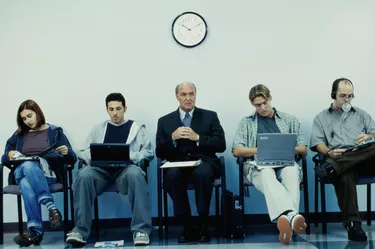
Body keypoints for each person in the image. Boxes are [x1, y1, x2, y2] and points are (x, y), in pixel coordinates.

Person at [66, 93, 154, 246]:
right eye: (111, 109)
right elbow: (84, 151)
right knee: (84, 175)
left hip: (125, 170)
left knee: (136, 174)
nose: (115, 113)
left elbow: (148, 153)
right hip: (101, 171)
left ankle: (141, 230)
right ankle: (80, 230)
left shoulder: (136, 129)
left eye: (118, 108)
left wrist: (130, 155)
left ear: (125, 108)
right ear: (107, 110)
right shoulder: (98, 129)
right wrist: (92, 157)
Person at [232, 84, 307, 245]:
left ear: (270, 98)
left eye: (265, 102)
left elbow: (303, 148)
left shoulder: (289, 119)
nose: (263, 107)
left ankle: (286, 220)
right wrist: (259, 150)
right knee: (267, 174)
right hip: (259, 166)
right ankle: (292, 216)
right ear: (253, 105)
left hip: (285, 163)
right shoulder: (246, 122)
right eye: (258, 105)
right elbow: (237, 150)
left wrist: (284, 149)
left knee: (292, 171)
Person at [156, 82, 226, 243]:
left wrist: (198, 138)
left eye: (191, 94)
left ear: (195, 95)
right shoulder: (164, 121)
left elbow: (221, 145)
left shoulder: (210, 116)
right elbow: (159, 152)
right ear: (177, 97)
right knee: (171, 176)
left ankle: (203, 224)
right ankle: (187, 225)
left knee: (203, 173)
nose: (188, 98)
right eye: (183, 94)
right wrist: (172, 138)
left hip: (204, 162)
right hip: (177, 164)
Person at [1, 99, 77, 246]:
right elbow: (4, 158)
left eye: (29, 116)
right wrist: (9, 154)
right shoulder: (18, 135)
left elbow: (72, 158)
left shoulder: (55, 132)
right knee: (29, 164)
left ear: (37, 113)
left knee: (25, 183)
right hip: (21, 171)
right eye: (24, 118)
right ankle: (51, 207)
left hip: (47, 175)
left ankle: (35, 232)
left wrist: (67, 152)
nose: (27, 121)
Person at [311, 77, 375, 241]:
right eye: (343, 96)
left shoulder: (361, 114)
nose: (347, 99)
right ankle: (354, 225)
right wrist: (330, 153)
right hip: (339, 156)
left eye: (350, 96)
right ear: (334, 95)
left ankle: (332, 167)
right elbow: (318, 143)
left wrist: (368, 136)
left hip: (364, 159)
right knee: (345, 173)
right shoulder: (321, 117)